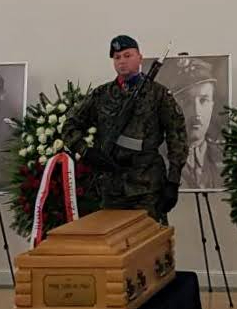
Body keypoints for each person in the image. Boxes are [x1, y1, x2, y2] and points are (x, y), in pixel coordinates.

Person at [61, 35, 188, 224]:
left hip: (147, 186)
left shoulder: (158, 94)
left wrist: (173, 181)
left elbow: (177, 135)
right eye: (117, 57)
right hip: (111, 187)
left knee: (148, 239)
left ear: (140, 58)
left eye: (127, 55)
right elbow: (69, 125)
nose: (122, 61)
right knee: (113, 239)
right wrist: (86, 152)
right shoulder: (101, 95)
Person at [168, 57, 224, 189]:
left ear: (212, 105)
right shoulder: (158, 159)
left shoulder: (224, 157)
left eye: (204, 100)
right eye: (186, 102)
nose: (196, 111)